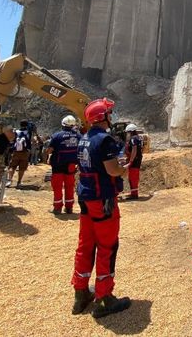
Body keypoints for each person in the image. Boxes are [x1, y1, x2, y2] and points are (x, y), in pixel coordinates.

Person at [72, 98, 131, 318]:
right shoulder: (105, 140)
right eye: (109, 113)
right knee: (107, 247)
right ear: (102, 117)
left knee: (85, 245)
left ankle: (80, 293)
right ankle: (105, 298)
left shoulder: (83, 138)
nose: (111, 116)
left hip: (86, 197)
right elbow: (112, 170)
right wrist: (123, 169)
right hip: (102, 200)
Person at [46, 115, 80, 214]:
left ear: (63, 124)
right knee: (69, 186)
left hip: (58, 165)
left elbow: (49, 150)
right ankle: (69, 208)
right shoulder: (78, 136)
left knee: (57, 187)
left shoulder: (57, 136)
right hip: (71, 166)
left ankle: (57, 208)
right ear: (74, 125)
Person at [7, 120, 31, 187]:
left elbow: (12, 141)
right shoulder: (28, 132)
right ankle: (19, 182)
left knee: (12, 166)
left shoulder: (16, 132)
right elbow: (29, 142)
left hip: (15, 152)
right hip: (24, 152)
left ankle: (9, 181)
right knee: (22, 168)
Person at [123, 123, 144, 199]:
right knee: (133, 177)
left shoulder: (133, 139)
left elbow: (134, 150)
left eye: (128, 132)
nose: (127, 134)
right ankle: (133, 192)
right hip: (137, 159)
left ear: (130, 132)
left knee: (133, 177)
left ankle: (134, 195)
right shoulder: (139, 138)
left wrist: (130, 161)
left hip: (135, 160)